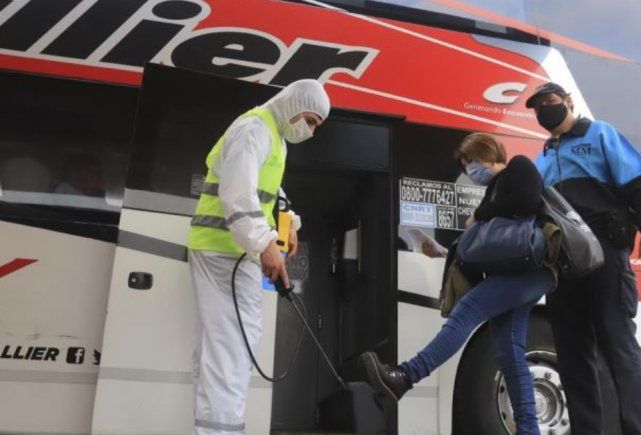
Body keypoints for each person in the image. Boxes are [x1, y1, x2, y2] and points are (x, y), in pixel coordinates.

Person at [361, 133, 555, 435]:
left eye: (470, 162)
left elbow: (529, 199)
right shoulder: (493, 191)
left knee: (467, 310)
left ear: (487, 153)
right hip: (518, 272)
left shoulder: (518, 167)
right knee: (509, 352)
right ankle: (528, 429)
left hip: (531, 269)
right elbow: (494, 246)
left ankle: (404, 376)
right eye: (465, 166)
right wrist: (441, 251)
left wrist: (480, 214)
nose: (469, 170)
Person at [187, 79, 330, 435]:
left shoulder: (272, 136)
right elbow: (238, 193)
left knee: (226, 352)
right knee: (231, 354)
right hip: (223, 253)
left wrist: (289, 223)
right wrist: (265, 242)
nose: (310, 132)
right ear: (294, 103)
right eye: (310, 120)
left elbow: (266, 190)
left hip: (231, 253)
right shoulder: (254, 128)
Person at [526, 82, 641, 435]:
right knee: (572, 355)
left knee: (619, 347)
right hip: (563, 264)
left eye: (551, 100)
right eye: (538, 105)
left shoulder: (601, 134)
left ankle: (637, 430)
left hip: (605, 253)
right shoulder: (541, 157)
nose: (545, 108)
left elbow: (639, 176)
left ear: (568, 101)